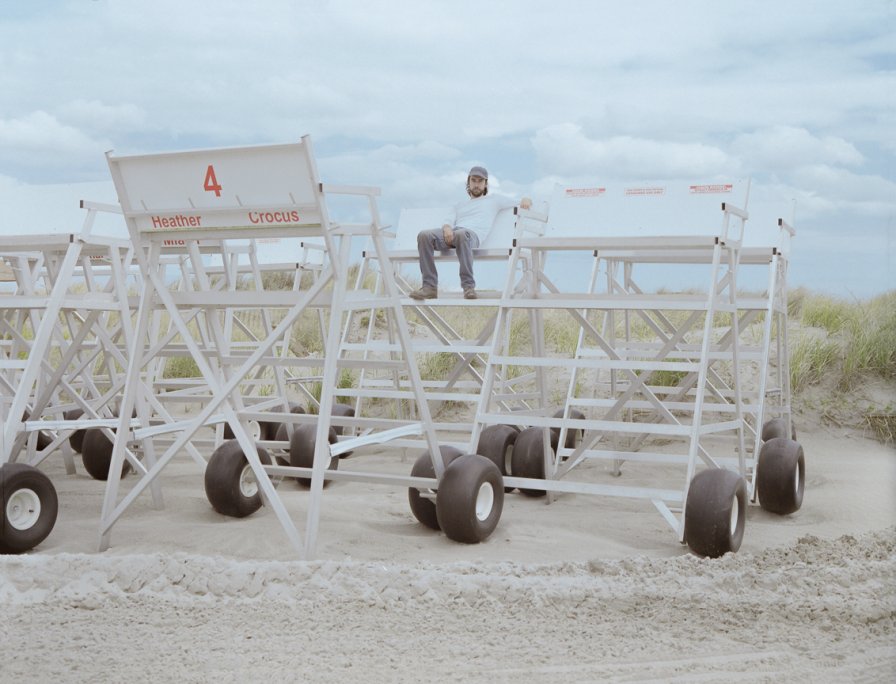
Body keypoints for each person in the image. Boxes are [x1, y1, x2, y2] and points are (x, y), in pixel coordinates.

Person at [409, 166, 532, 300]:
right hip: (454, 234)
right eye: (473, 180)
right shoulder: (460, 204)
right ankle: (429, 287)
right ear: (469, 182)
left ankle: (468, 288)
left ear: (485, 184)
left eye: (480, 181)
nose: (476, 184)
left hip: (471, 236)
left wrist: (526, 199)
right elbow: (448, 220)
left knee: (462, 234)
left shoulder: (494, 200)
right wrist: (446, 228)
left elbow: (521, 201)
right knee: (424, 236)